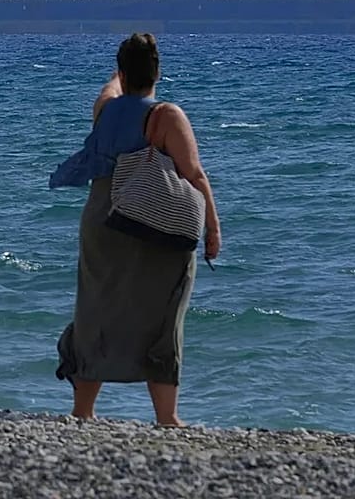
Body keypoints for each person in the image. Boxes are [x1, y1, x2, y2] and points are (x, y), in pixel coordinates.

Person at [49, 32, 221, 427]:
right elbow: (193, 174)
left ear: (123, 74)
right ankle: (166, 416)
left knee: (96, 309)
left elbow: (109, 89)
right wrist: (212, 226)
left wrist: (120, 72)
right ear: (157, 72)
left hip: (102, 217)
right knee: (164, 309)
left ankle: (83, 411)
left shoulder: (105, 110)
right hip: (152, 219)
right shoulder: (166, 116)